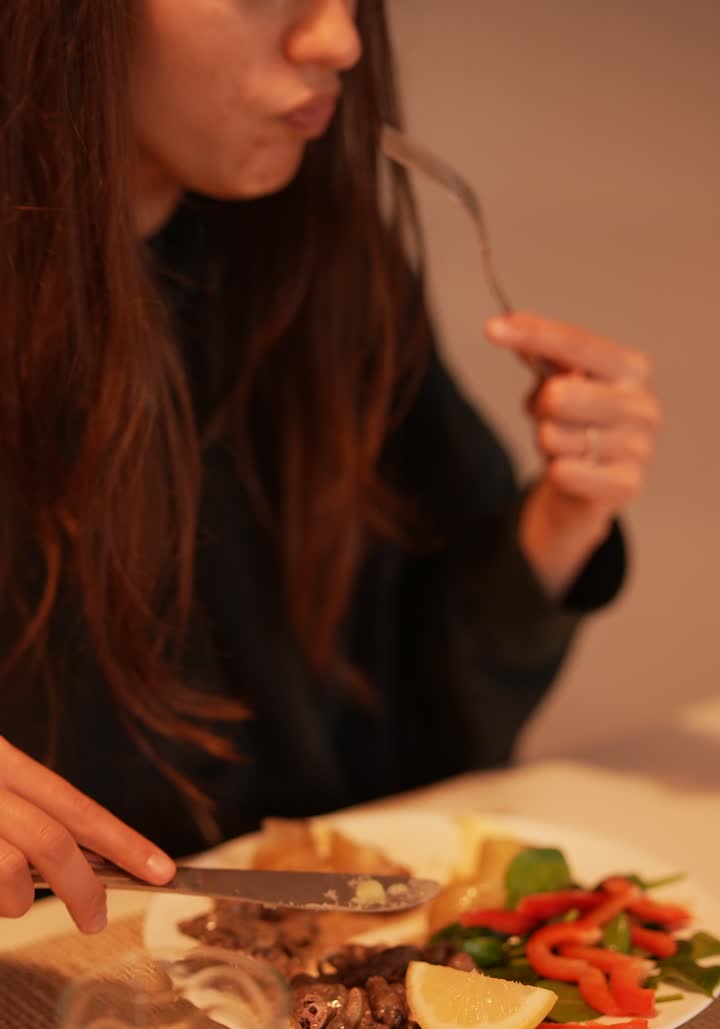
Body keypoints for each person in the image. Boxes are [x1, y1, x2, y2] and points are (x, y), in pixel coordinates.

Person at [0, 0, 659, 935]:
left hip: (327, 976)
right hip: (64, 983)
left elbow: (422, 718)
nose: (339, 39)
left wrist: (559, 525)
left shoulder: (320, 257)